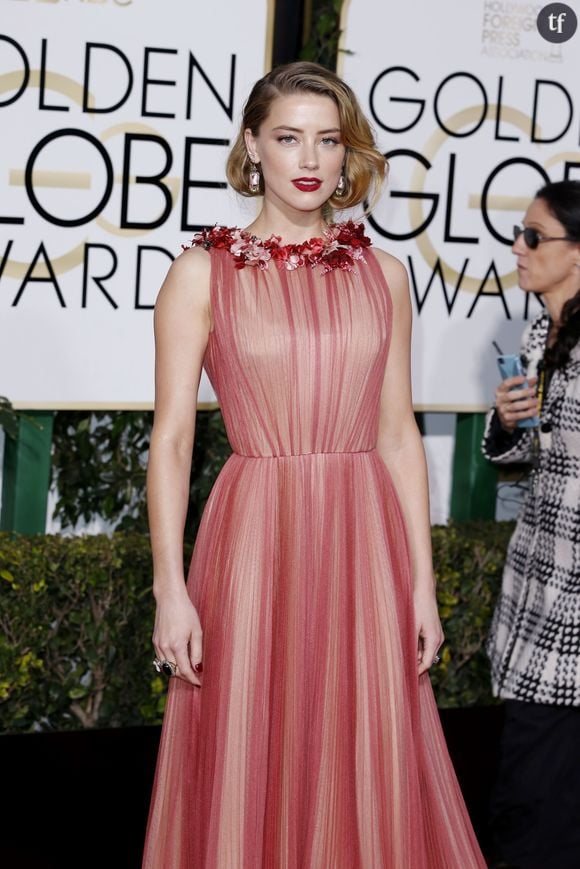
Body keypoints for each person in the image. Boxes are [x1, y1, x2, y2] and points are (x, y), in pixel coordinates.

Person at [142, 61, 485, 868]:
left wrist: (422, 585)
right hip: (253, 533)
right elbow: (171, 441)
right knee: (248, 743)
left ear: (346, 155)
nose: (309, 158)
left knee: (362, 746)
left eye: (328, 140)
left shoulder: (386, 274)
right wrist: (169, 587)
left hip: (363, 539)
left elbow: (399, 433)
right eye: (288, 137)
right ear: (252, 148)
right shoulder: (199, 274)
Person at [483, 179, 580, 869]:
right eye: (519, 232)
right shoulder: (541, 328)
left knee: (536, 810)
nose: (517, 247)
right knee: (535, 799)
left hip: (570, 611)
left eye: (534, 236)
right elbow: (530, 450)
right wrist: (510, 419)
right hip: (535, 590)